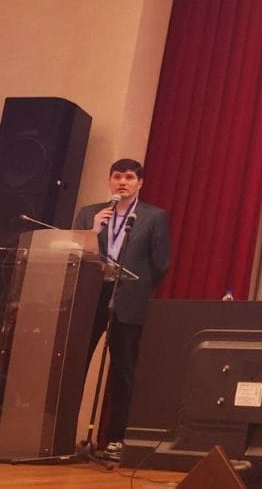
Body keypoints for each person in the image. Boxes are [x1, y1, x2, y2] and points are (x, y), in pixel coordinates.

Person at [73, 158, 171, 462]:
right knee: (74, 365)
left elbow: (161, 264)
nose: (122, 182)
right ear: (109, 181)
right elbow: (75, 253)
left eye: (129, 177)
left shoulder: (154, 217)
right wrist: (93, 231)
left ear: (140, 183)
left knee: (124, 370)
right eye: (117, 176)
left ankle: (116, 439)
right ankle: (61, 432)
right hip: (92, 295)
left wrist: (139, 288)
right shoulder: (89, 213)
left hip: (129, 297)